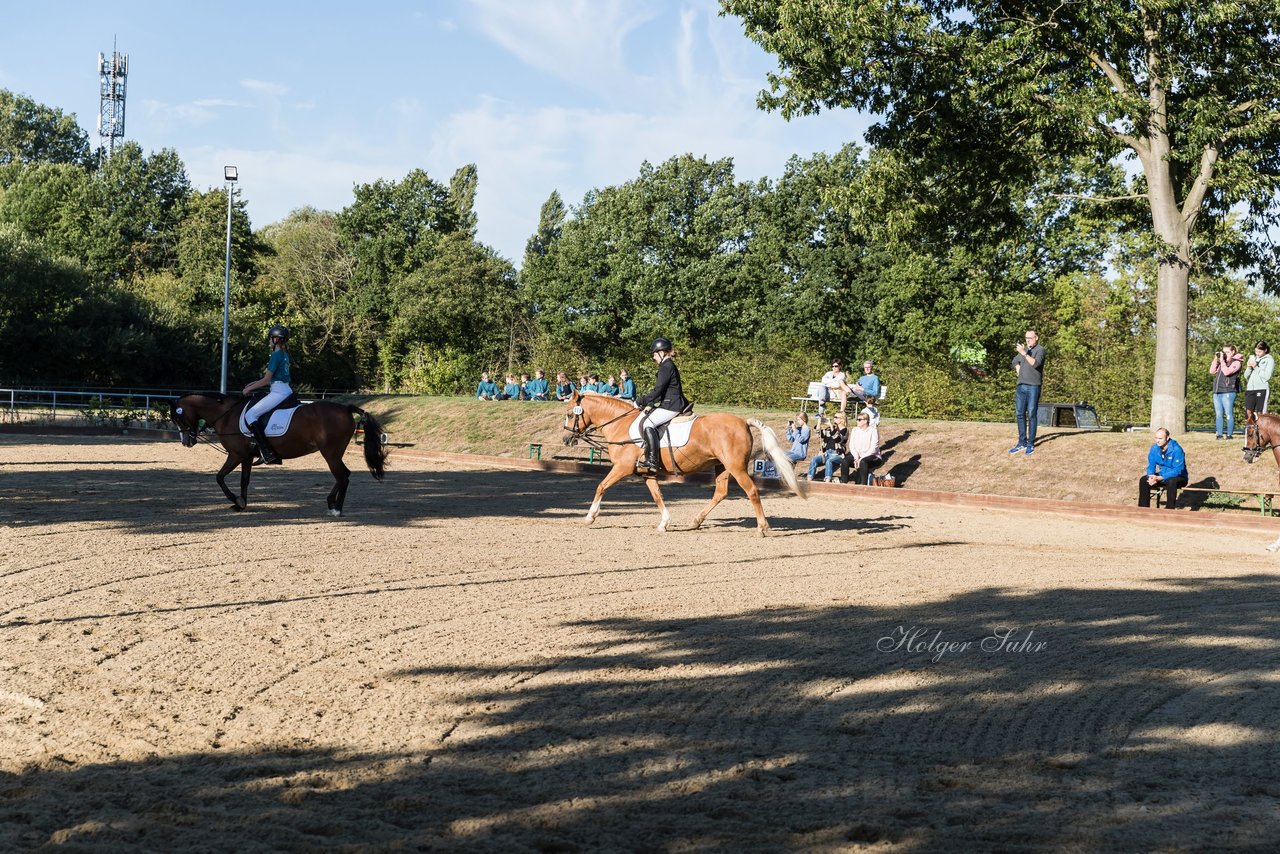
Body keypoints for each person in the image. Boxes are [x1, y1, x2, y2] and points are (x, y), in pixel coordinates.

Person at [634, 337, 690, 473]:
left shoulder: (666, 366)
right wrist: (651, 403)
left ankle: (653, 460)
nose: (653, 357)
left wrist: (640, 400)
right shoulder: (668, 365)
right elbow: (662, 391)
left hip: (672, 405)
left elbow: (658, 390)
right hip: (670, 402)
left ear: (661, 352)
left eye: (654, 354)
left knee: (648, 423)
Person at [242, 324, 293, 465]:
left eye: (271, 338)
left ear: (276, 339)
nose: (269, 341)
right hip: (285, 389)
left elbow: (266, 380)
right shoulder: (284, 354)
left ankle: (267, 453)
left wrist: (248, 390)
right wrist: (253, 384)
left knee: (250, 415)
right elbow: (272, 378)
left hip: (278, 391)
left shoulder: (276, 355)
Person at [1009, 329, 1045, 456]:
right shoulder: (1024, 351)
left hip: (1033, 386)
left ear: (1036, 338)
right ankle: (1021, 442)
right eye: (1026, 338)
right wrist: (1018, 368)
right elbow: (1014, 361)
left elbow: (1035, 364)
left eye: (1030, 337)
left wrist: (1024, 353)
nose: (1027, 340)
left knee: (1031, 414)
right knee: (1019, 413)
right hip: (1021, 386)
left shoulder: (1040, 350)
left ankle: (1030, 443)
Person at [1138, 427, 1188, 509]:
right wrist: (1151, 476)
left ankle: (1169, 510)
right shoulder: (1154, 448)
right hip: (1162, 476)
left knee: (1171, 481)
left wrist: (1160, 477)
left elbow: (1177, 470)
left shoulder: (1177, 449)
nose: (1157, 440)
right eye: (1156, 438)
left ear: (1167, 438)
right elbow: (1151, 465)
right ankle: (1143, 509)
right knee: (1144, 480)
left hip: (1179, 477)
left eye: (1160, 438)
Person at [1210, 345, 1243, 439]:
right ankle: (1219, 434)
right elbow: (1212, 371)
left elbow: (1227, 372)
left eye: (1227, 352)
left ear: (1233, 352)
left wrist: (1222, 362)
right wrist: (1215, 360)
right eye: (1224, 352)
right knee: (1218, 414)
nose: (1225, 354)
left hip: (1228, 391)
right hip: (1217, 391)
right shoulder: (1222, 361)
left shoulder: (1236, 362)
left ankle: (1229, 435)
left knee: (1229, 414)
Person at [841, 411, 882, 485]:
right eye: (857, 419)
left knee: (863, 462)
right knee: (845, 461)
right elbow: (852, 446)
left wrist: (860, 459)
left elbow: (873, 449)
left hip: (873, 456)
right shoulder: (855, 430)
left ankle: (863, 485)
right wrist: (856, 457)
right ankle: (843, 483)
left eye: (859, 419)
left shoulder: (873, 431)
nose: (857, 421)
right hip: (857, 456)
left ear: (865, 421)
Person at [806, 412, 847, 482]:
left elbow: (838, 439)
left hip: (837, 454)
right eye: (834, 416)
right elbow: (818, 434)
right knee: (814, 460)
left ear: (842, 419)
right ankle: (809, 479)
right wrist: (819, 423)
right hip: (826, 453)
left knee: (829, 461)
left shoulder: (844, 430)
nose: (834, 418)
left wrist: (831, 425)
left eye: (836, 417)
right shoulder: (830, 429)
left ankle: (827, 480)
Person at [1243, 340, 1274, 428]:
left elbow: (1267, 376)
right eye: (1256, 351)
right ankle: (1249, 435)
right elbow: (1246, 376)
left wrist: (1256, 367)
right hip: (1250, 389)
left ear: (1265, 350)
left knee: (1261, 414)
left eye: (1259, 352)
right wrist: (1249, 367)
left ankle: (1262, 433)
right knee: (1248, 413)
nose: (1257, 354)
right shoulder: (1253, 358)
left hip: (1262, 388)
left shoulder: (1269, 360)